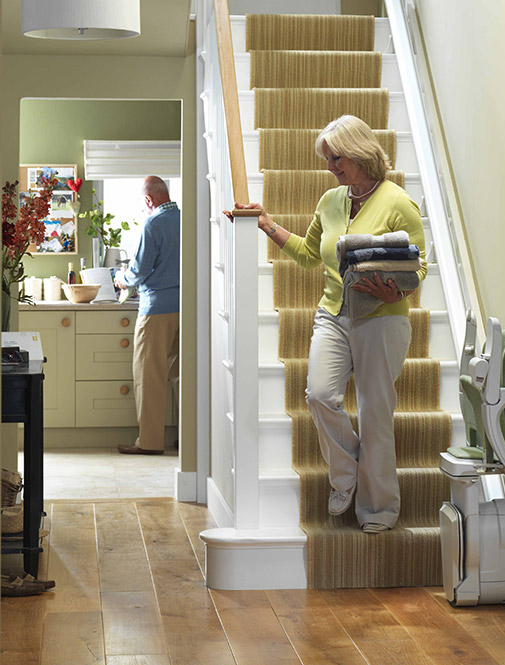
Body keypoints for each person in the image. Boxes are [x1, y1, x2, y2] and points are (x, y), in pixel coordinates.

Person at [226, 115, 427, 533]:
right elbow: (307, 254)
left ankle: (379, 509)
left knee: (375, 413)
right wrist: (267, 224)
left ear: (360, 153)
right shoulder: (331, 200)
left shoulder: (397, 202)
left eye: (337, 158)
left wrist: (398, 293)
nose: (331, 167)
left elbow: (418, 265)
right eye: (328, 159)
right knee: (319, 394)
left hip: (382, 317)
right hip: (334, 314)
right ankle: (348, 474)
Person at [115, 175, 180, 455]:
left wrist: (121, 279)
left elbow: (139, 270)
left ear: (148, 200)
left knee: (149, 376)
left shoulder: (153, 223)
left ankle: (150, 443)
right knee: (183, 376)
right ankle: (189, 439)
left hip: (156, 309)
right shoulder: (186, 219)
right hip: (187, 308)